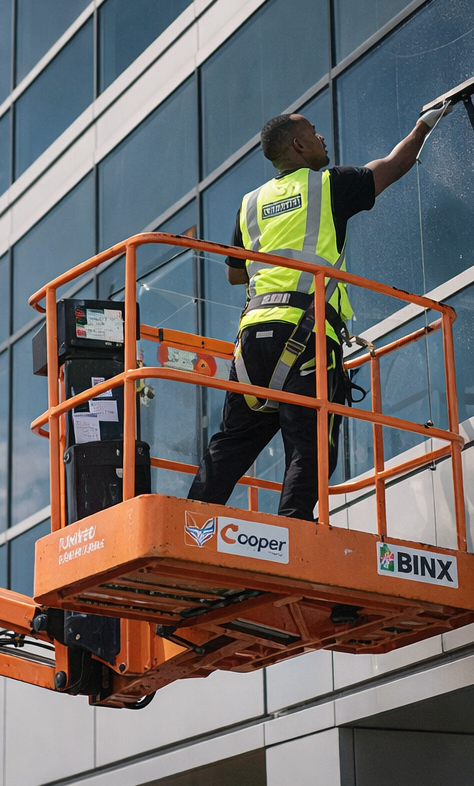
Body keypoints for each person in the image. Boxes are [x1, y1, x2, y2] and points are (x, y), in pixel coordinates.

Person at [187, 105, 452, 519]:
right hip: (306, 333)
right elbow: (395, 165)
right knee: (309, 446)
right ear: (298, 145)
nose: (322, 137)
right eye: (314, 131)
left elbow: (235, 275)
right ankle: (293, 529)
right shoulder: (327, 186)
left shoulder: (250, 204)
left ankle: (189, 524)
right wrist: (425, 124)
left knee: (231, 444)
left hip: (252, 341)